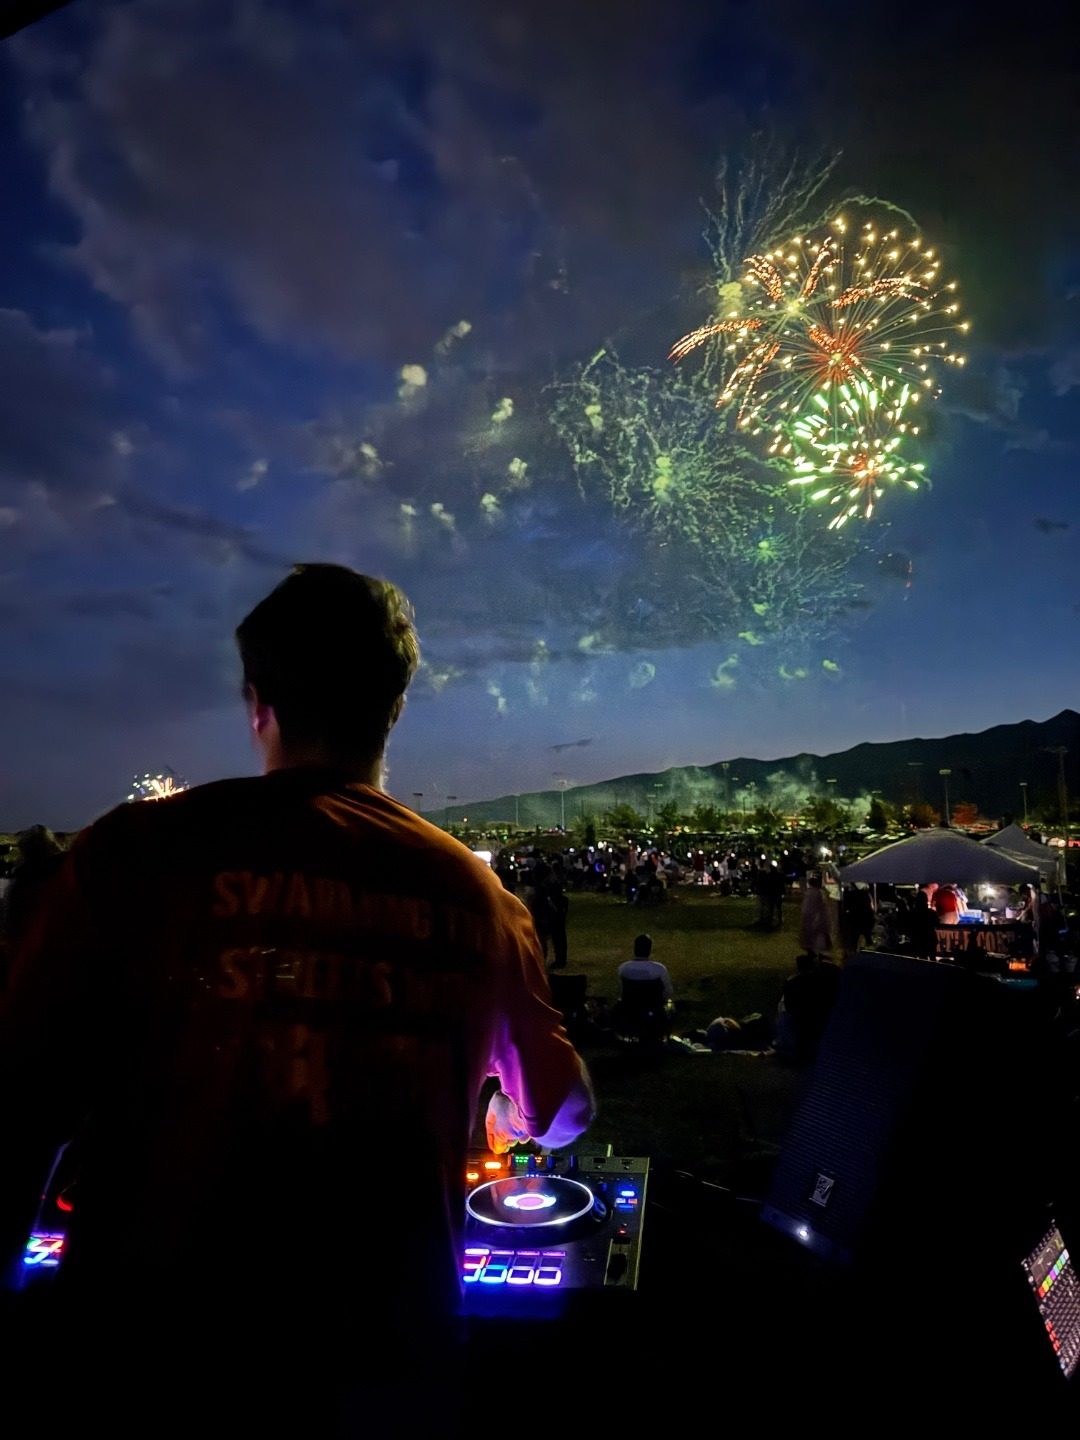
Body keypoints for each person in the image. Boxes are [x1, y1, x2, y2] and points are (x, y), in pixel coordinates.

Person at [0, 563, 594, 1436]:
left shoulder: (129, 854)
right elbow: (567, 1110)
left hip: (144, 1360)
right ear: (393, 707)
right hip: (380, 1370)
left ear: (257, 701)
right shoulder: (477, 897)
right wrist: (512, 1106)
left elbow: (19, 1103)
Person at [774, 952, 842, 1065]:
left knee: (784, 1018)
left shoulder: (794, 983)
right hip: (818, 1030)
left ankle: (791, 1051)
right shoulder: (826, 982)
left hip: (802, 1029)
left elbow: (785, 1008)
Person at [798, 873, 835, 960]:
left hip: (811, 919)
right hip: (817, 919)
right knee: (818, 937)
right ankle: (818, 954)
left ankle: (814, 953)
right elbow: (822, 907)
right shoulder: (818, 893)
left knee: (812, 937)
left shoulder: (809, 893)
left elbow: (806, 908)